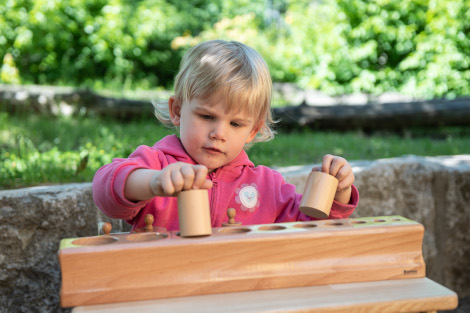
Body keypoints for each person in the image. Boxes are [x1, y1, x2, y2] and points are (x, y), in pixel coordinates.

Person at [92, 39, 359, 232]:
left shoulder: (267, 186)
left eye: (236, 123)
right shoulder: (157, 164)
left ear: (252, 130)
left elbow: (312, 230)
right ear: (177, 110)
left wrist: (340, 193)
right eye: (207, 117)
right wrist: (152, 183)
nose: (219, 133)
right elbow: (106, 190)